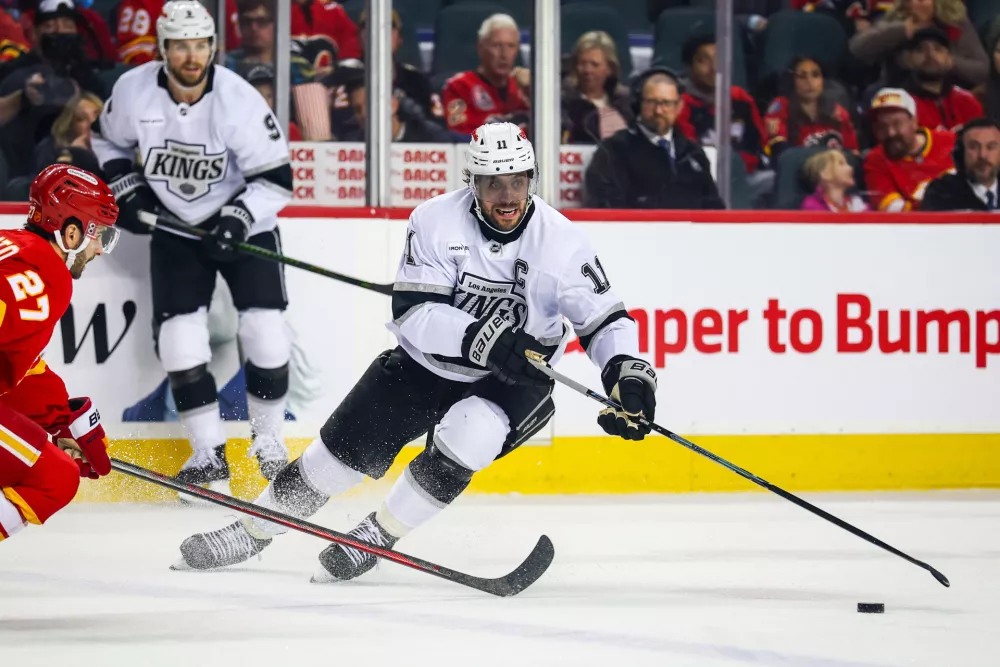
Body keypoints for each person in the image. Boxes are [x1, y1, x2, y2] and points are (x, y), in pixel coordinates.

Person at [173, 121, 659, 579]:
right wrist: (481, 338)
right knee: (332, 464)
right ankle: (253, 530)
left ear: (533, 178)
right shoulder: (433, 220)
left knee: (472, 434)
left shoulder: (563, 242)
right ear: (473, 181)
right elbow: (415, 314)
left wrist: (627, 375)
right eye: (494, 183)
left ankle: (376, 536)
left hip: (510, 382)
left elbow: (604, 321)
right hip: (426, 367)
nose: (507, 196)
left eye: (517, 180)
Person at [90, 1, 294, 491]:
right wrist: (128, 189)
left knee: (265, 331)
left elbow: (278, 179)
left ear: (212, 46)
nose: (192, 55)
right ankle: (207, 455)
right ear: (163, 48)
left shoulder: (239, 100)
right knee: (180, 341)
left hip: (243, 222)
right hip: (175, 228)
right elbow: (106, 141)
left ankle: (269, 442)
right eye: (181, 45)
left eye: (201, 44)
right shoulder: (134, 91)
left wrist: (238, 217)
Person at [0, 163, 118, 543]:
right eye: (99, 234)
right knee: (55, 478)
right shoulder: (44, 274)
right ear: (72, 233)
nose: (101, 248)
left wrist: (59, 417)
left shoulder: (13, 244)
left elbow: (15, 363)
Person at [584, 68, 724, 209]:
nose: (658, 111)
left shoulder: (693, 153)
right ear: (639, 104)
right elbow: (604, 206)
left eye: (666, 103)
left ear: (679, 106)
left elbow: (714, 210)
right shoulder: (614, 150)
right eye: (651, 102)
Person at [0, 0, 108, 178]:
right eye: (50, 25)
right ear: (35, 33)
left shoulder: (90, 76)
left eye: (68, 25)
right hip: (22, 169)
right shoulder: (14, 71)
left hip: (83, 165)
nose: (60, 31)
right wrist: (24, 97)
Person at [226, 0, 330, 141]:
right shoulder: (226, 65)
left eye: (262, 22)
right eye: (247, 21)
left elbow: (317, 134)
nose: (254, 28)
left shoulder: (298, 67)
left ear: (277, 23)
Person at [676, 33, 766, 174]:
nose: (714, 68)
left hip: (745, 177)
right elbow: (688, 154)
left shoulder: (741, 98)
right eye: (703, 61)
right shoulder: (680, 104)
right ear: (689, 67)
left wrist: (738, 168)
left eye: (718, 58)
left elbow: (758, 144)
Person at [849, 0, 988, 89]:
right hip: (901, 91)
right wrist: (903, 30)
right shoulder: (895, 20)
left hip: (951, 90)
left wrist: (951, 63)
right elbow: (857, 48)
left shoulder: (956, 22)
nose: (919, 2)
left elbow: (982, 69)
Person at [862, 87, 955, 210]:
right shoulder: (875, 161)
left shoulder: (951, 142)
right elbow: (894, 213)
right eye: (882, 126)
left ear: (914, 121)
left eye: (897, 124)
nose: (890, 133)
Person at [442, 13, 530, 136]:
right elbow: (459, 133)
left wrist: (533, 93)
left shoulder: (525, 90)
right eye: (497, 45)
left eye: (511, 46)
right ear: (481, 47)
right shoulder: (458, 87)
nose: (504, 55)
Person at [764, 56, 859, 159]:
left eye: (815, 75)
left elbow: (852, 153)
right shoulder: (781, 106)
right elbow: (780, 151)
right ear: (792, 81)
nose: (809, 82)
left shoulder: (838, 112)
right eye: (802, 76)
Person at [903, 26, 983, 131]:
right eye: (921, 50)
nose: (931, 55)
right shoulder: (903, 104)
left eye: (938, 49)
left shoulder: (968, 101)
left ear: (950, 59)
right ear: (909, 59)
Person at [561, 30, 632, 144]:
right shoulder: (564, 106)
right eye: (582, 63)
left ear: (609, 68)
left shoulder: (625, 105)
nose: (587, 70)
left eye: (595, 65)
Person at [116, 0, 239, 65]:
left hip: (213, 81)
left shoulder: (222, 2)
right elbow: (133, 53)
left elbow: (232, 47)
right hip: (160, 84)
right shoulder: (144, 1)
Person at [341, 74, 457, 143]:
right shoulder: (353, 144)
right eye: (357, 109)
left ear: (393, 105)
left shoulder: (432, 138)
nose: (363, 114)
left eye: (370, 104)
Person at [921, 117, 1000, 211]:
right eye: (973, 147)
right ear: (961, 153)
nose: (982, 155)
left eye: (991, 147)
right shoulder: (940, 192)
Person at [33, 91, 102, 173]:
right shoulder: (51, 153)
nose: (92, 122)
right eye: (81, 119)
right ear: (70, 126)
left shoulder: (116, 143)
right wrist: (79, 155)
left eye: (97, 115)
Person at [800, 149, 869, 211]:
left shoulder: (858, 204)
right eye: (841, 164)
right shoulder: (812, 207)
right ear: (825, 174)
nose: (850, 168)